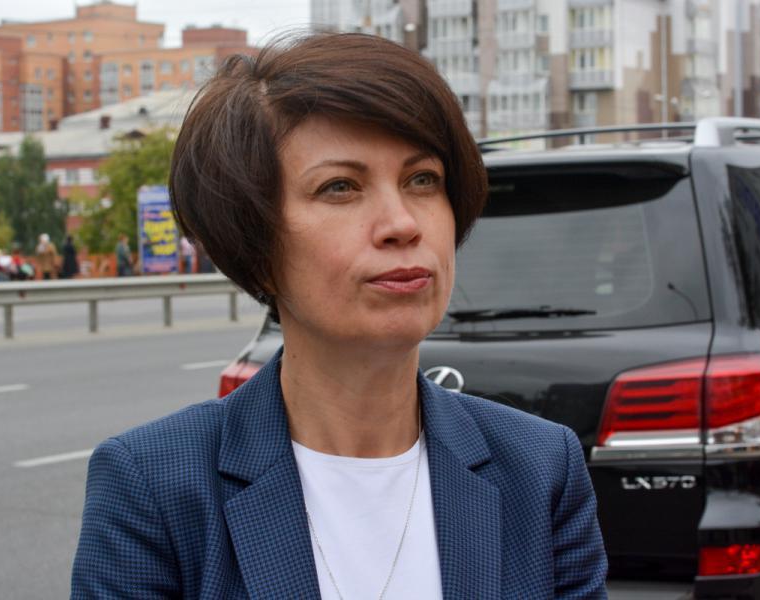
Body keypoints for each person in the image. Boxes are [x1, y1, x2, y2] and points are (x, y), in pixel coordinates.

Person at [72, 33, 607, 599]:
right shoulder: (155, 485)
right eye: (340, 187)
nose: (402, 224)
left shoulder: (539, 468)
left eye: (422, 179)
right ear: (251, 239)